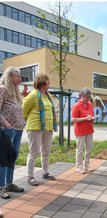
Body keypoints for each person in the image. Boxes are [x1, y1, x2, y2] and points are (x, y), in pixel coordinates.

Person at [22, 73, 57, 186]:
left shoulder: (48, 95)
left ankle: (45, 172)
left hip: (48, 128)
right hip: (35, 128)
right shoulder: (33, 95)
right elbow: (23, 110)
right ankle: (30, 176)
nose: (49, 83)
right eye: (48, 81)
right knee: (34, 152)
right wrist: (27, 122)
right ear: (42, 82)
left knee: (46, 151)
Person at [0, 67, 25, 199]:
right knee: (4, 159)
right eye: (18, 76)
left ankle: (9, 183)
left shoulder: (15, 91)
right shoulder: (2, 89)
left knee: (12, 158)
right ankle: (1, 186)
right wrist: (6, 124)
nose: (20, 79)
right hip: (8, 130)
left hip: (19, 129)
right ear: (10, 76)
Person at [72, 87, 95, 174]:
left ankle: (87, 165)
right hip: (80, 130)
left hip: (89, 129)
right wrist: (85, 118)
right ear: (82, 96)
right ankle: (79, 166)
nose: (88, 99)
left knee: (89, 149)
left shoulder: (89, 104)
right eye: (87, 97)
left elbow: (91, 114)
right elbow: (74, 119)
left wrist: (92, 118)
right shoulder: (76, 106)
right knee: (80, 149)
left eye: (89, 97)